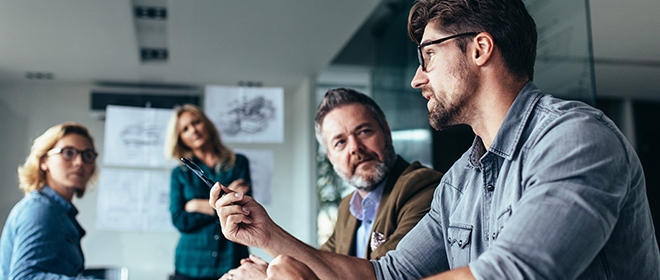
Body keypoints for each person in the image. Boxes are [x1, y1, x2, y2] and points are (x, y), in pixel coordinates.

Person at [210, 0, 660, 279]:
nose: (416, 78)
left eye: (429, 55)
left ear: (479, 49)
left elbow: (515, 274)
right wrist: (266, 235)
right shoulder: (461, 180)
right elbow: (388, 275)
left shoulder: (574, 138)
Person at [221, 88, 443, 280]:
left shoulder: (422, 187)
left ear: (386, 131)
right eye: (340, 142)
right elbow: (319, 266)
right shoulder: (348, 207)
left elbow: (385, 275)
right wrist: (269, 264)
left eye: (364, 131)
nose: (355, 147)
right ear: (330, 157)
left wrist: (268, 264)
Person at [0, 122, 100, 279]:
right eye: (68, 153)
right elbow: (24, 277)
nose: (79, 162)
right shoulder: (41, 209)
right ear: (43, 161)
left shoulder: (60, 211)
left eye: (87, 155)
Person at [165, 104, 252, 280]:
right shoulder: (180, 173)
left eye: (196, 122)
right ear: (180, 138)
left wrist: (195, 205)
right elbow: (180, 220)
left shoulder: (239, 162)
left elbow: (244, 210)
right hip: (190, 266)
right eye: (185, 129)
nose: (193, 130)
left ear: (206, 124)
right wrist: (223, 205)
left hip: (232, 261)